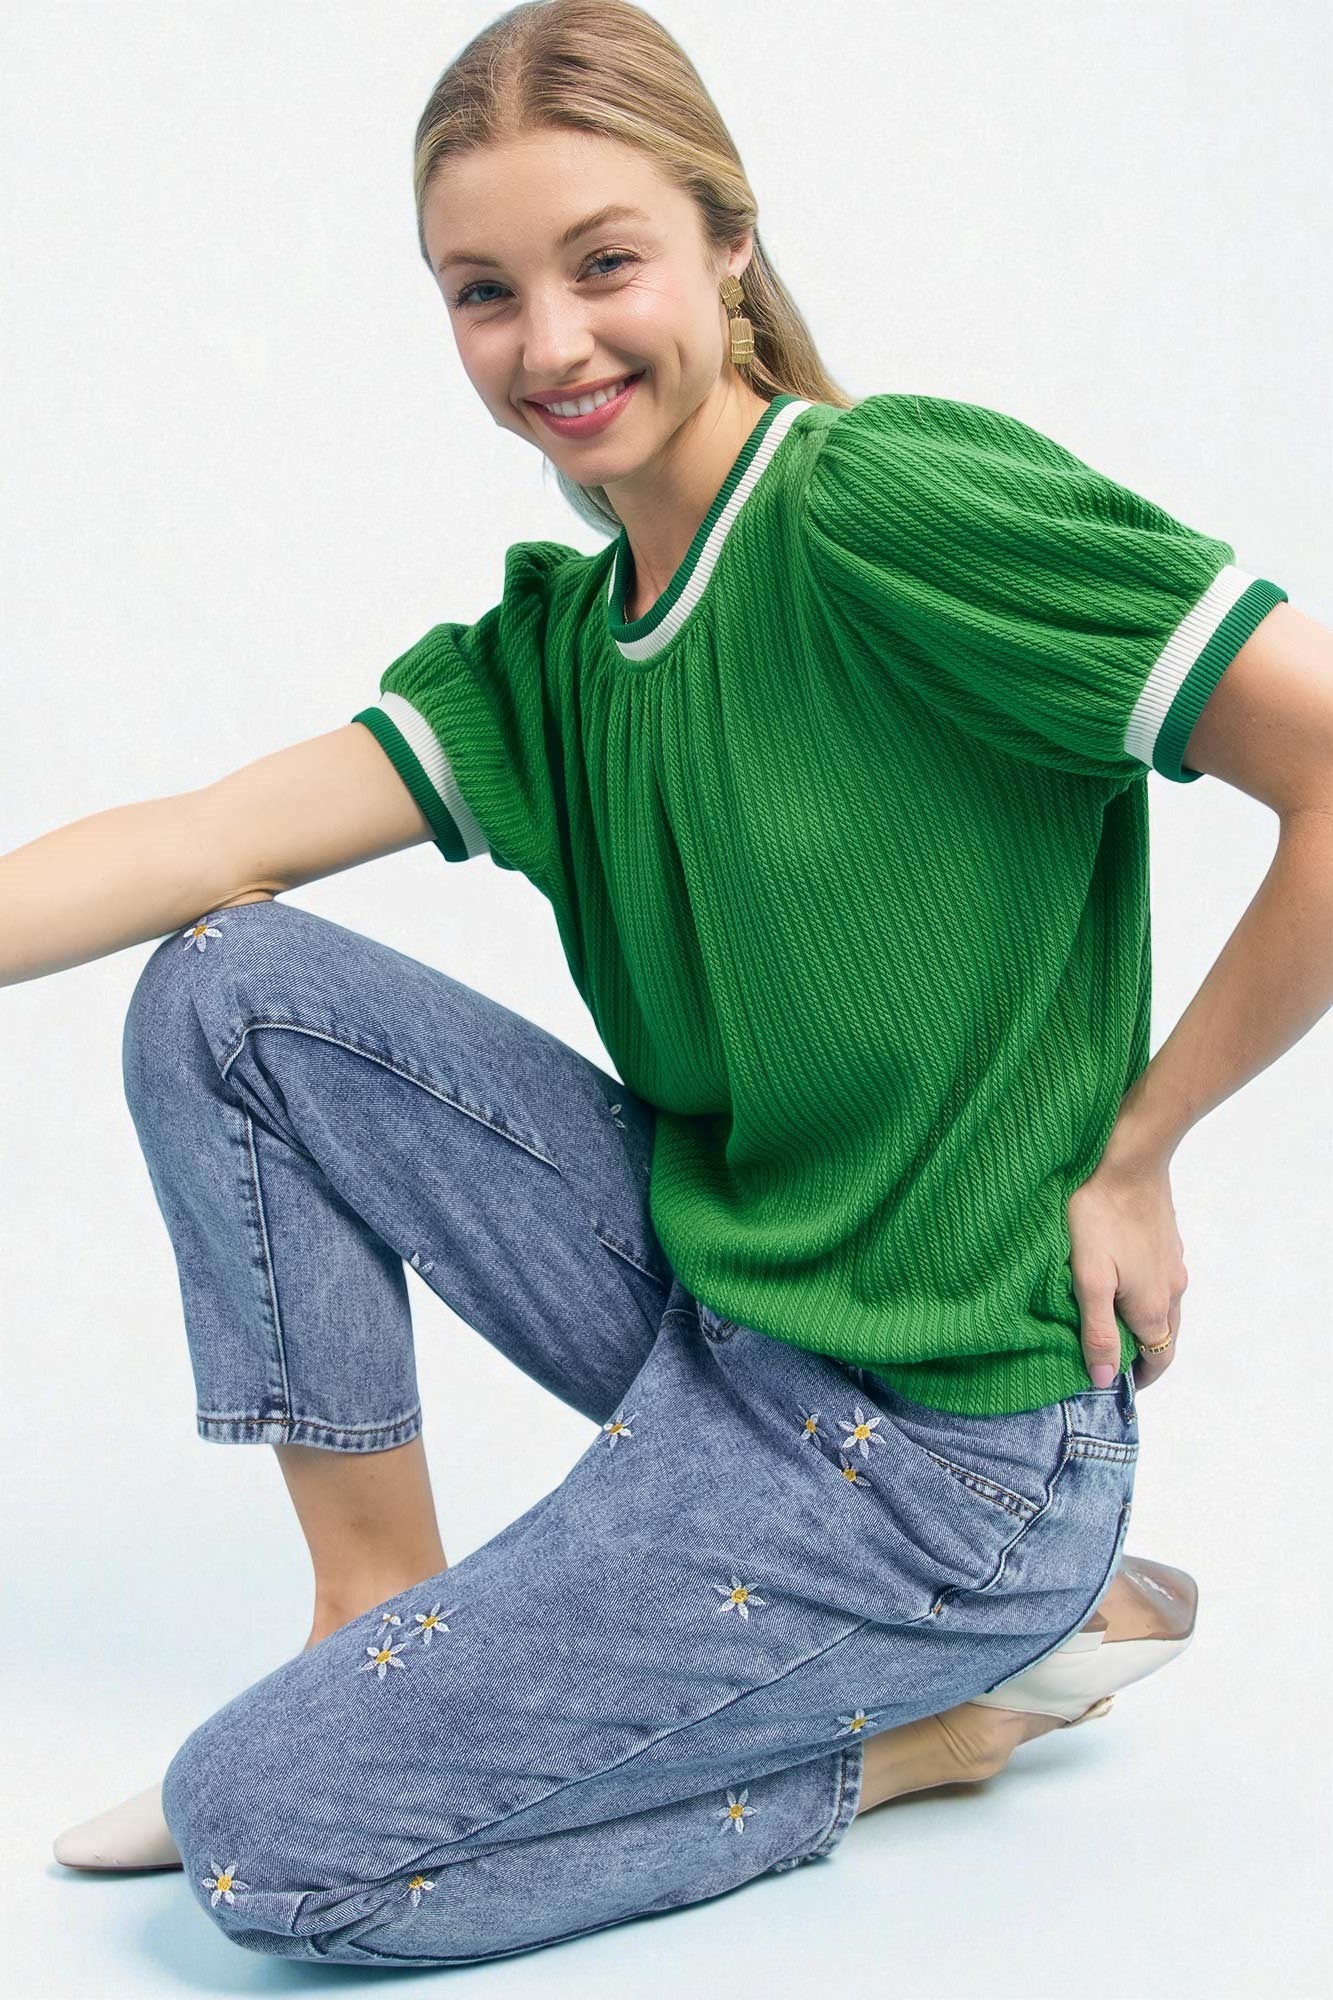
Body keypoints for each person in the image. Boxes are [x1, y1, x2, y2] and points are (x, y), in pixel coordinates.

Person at [7, 0, 1327, 1972]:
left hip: (944, 1457)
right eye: (484, 290)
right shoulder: (554, 656)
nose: (552, 345)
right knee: (234, 985)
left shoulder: (885, 514)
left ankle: (924, 1732)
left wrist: (1143, 1143)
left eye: (602, 261)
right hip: (728, 1315)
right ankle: (370, 1614)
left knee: (271, 1850)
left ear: (725, 240)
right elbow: (202, 837)